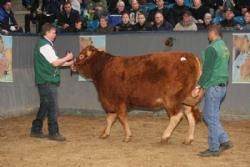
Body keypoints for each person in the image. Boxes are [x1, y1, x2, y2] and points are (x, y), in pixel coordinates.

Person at [194, 25, 233, 157]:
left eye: (208, 33)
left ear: (213, 33)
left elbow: (208, 71)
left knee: (211, 117)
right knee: (209, 115)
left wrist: (198, 86)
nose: (207, 36)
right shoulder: (224, 48)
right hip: (222, 87)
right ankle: (224, 140)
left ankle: (214, 148)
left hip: (214, 86)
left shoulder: (211, 49)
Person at [30, 23, 73, 141]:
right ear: (47, 32)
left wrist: (70, 63)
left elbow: (55, 62)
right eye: (54, 32)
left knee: (45, 106)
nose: (55, 35)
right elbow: (55, 63)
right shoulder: (45, 46)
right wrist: (67, 58)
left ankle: (36, 129)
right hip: (47, 80)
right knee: (53, 107)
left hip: (44, 80)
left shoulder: (44, 45)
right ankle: (53, 132)